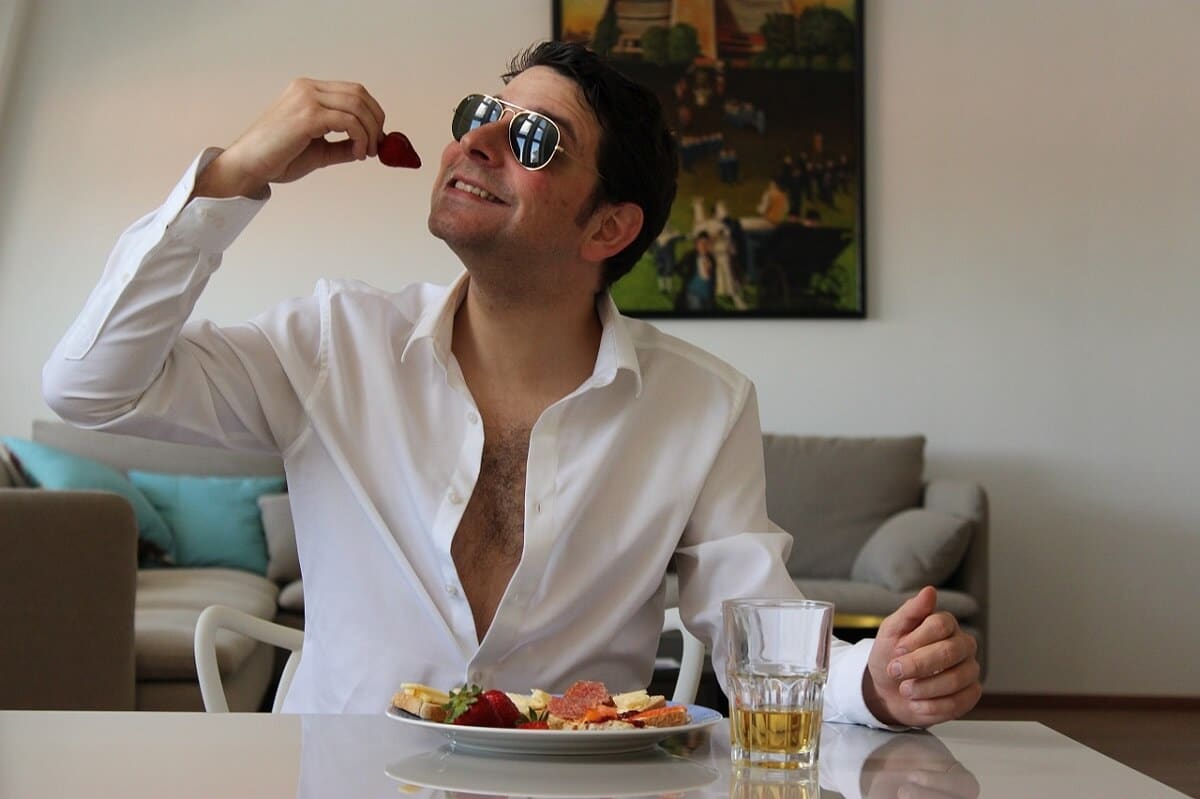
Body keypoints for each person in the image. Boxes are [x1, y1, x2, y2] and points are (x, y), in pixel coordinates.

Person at [42, 41, 980, 725]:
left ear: (609, 228)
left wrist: (872, 682)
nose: (476, 141)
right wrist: (233, 173)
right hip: (344, 782)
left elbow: (751, 631)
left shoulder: (702, 404)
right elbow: (89, 387)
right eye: (475, 116)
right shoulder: (333, 342)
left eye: (532, 137)